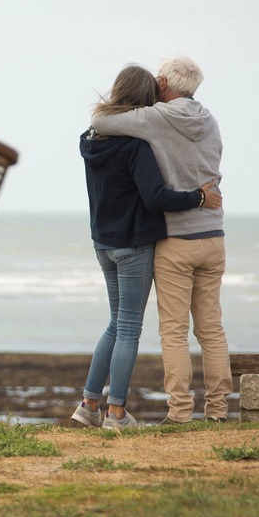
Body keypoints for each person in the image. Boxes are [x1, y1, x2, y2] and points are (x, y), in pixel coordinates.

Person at [71, 64, 221, 430]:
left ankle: (88, 406)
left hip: (103, 243)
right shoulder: (137, 146)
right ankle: (116, 414)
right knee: (129, 328)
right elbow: (156, 198)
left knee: (115, 323)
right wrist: (199, 197)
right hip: (134, 245)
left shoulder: (89, 140)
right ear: (144, 97)